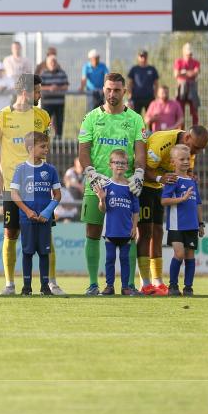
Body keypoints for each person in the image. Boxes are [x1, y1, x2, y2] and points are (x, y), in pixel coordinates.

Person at [0, 73, 65, 296]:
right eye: (37, 91)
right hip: (14, 187)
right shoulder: (2, 116)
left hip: (39, 187)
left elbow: (45, 148)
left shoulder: (42, 116)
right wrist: (0, 178)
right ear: (25, 93)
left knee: (46, 234)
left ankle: (52, 283)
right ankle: (10, 284)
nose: (40, 95)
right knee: (10, 234)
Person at [78, 72, 146, 296]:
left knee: (130, 233)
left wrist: (138, 173)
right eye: (108, 89)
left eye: (117, 90)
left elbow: (140, 151)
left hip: (125, 186)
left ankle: (129, 285)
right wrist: (90, 173)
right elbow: (83, 150)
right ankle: (92, 284)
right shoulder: (90, 118)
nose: (112, 93)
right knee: (93, 232)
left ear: (124, 92)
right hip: (96, 184)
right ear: (103, 90)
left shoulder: (135, 119)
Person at [138, 125, 208, 295]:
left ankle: (158, 281)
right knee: (146, 232)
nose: (196, 153)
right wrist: (159, 178)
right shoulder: (162, 142)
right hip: (146, 186)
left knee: (158, 232)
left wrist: (191, 175)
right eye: (196, 148)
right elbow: (142, 168)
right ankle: (145, 282)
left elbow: (187, 171)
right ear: (187, 138)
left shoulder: (188, 151)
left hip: (163, 187)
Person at [9, 131, 60, 296]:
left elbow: (58, 195)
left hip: (44, 220)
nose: (47, 149)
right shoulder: (21, 169)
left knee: (45, 252)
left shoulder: (50, 169)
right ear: (31, 148)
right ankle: (26, 287)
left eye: (47, 146)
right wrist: (27, 211)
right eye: (43, 146)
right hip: (27, 219)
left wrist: (47, 212)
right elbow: (14, 194)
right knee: (27, 252)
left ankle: (45, 287)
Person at [93, 149, 140, 296]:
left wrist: (134, 227)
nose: (119, 165)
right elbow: (102, 209)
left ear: (127, 166)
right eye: (116, 162)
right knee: (110, 259)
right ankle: (109, 286)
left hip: (126, 230)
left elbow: (135, 211)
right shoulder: (106, 186)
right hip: (110, 231)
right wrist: (101, 199)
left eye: (123, 163)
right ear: (110, 165)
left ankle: (125, 287)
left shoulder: (131, 187)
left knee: (125, 259)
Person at [161, 144, 203, 296]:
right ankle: (172, 286)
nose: (186, 162)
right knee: (179, 254)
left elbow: (198, 203)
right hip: (177, 225)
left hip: (192, 225)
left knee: (190, 256)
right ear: (173, 162)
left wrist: (201, 223)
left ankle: (188, 287)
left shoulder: (192, 181)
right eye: (182, 159)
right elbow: (164, 201)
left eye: (187, 159)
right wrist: (182, 198)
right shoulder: (173, 180)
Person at [38, 53, 68, 137]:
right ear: (47, 64)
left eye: (54, 62)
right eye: (51, 62)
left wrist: (57, 88)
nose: (53, 64)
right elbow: (39, 87)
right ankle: (45, 138)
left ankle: (58, 140)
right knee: (46, 122)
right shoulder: (43, 74)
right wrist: (49, 88)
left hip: (59, 103)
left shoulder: (62, 73)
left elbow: (66, 86)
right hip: (47, 103)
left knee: (59, 122)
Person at [174, 43, 201, 126]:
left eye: (191, 54)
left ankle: (195, 130)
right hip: (181, 88)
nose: (189, 56)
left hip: (192, 88)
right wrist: (190, 73)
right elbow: (176, 74)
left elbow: (196, 73)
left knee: (194, 110)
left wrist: (183, 73)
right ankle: (181, 131)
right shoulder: (178, 61)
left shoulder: (196, 62)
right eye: (188, 54)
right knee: (180, 110)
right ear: (183, 53)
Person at [127, 49, 159, 116]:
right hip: (136, 98)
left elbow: (156, 83)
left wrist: (156, 95)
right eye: (141, 56)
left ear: (147, 57)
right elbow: (130, 83)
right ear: (138, 57)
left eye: (144, 56)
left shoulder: (152, 69)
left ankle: (150, 127)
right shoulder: (134, 69)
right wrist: (129, 94)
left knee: (151, 117)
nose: (143, 58)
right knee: (136, 118)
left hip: (149, 97)